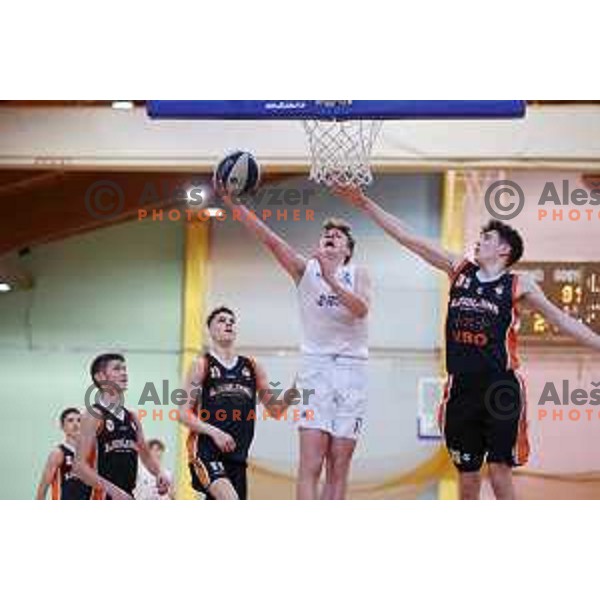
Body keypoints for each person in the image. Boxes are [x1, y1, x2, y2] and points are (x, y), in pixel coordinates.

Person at [333, 183, 600, 500]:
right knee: (468, 477)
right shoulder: (459, 269)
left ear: (504, 250)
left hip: (500, 389)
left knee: (500, 472)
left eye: (487, 238)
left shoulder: (518, 284)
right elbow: (409, 238)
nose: (479, 240)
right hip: (461, 388)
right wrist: (364, 203)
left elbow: (562, 319)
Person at [219, 190, 371, 500]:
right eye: (327, 233)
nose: (331, 236)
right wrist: (235, 205)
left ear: (348, 250)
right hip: (316, 370)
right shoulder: (304, 270)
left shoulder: (358, 274)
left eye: (339, 236)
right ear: (319, 244)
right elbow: (270, 239)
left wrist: (331, 279)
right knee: (311, 463)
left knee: (338, 464)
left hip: (352, 370)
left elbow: (361, 310)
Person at [179, 306, 274, 500]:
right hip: (206, 452)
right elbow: (182, 413)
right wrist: (216, 433)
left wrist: (299, 384)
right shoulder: (202, 364)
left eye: (231, 321)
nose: (228, 323)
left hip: (238, 457)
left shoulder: (252, 367)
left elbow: (276, 409)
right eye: (221, 320)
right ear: (210, 331)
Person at [74, 353, 170, 500]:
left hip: (126, 495)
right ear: (100, 377)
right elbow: (79, 466)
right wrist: (113, 491)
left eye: (125, 369)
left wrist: (159, 473)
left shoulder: (132, 418)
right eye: (117, 369)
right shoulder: (94, 415)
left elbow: (146, 456)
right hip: (99, 496)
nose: (124, 373)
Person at [35, 407, 92, 500]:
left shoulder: (90, 454)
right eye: (70, 421)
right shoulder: (58, 453)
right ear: (62, 426)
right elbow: (43, 488)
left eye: (79, 420)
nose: (75, 424)